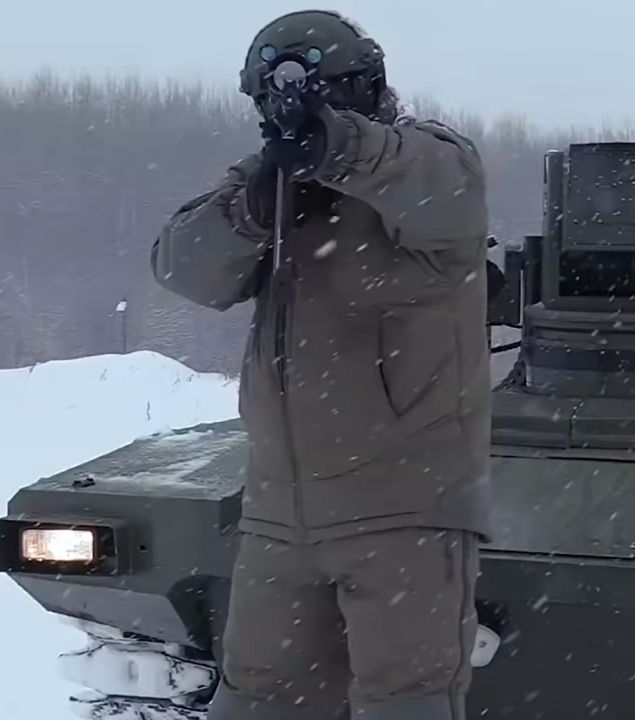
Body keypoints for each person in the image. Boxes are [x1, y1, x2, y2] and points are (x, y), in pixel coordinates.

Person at [149, 9, 492, 720]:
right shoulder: (269, 182)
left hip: (402, 510)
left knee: (407, 704)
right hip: (279, 515)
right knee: (259, 703)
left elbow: (443, 192)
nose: (288, 115)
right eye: (270, 103)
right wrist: (256, 202)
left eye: (319, 94)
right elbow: (184, 267)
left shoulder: (427, 158)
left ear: (365, 89)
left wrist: (337, 147)